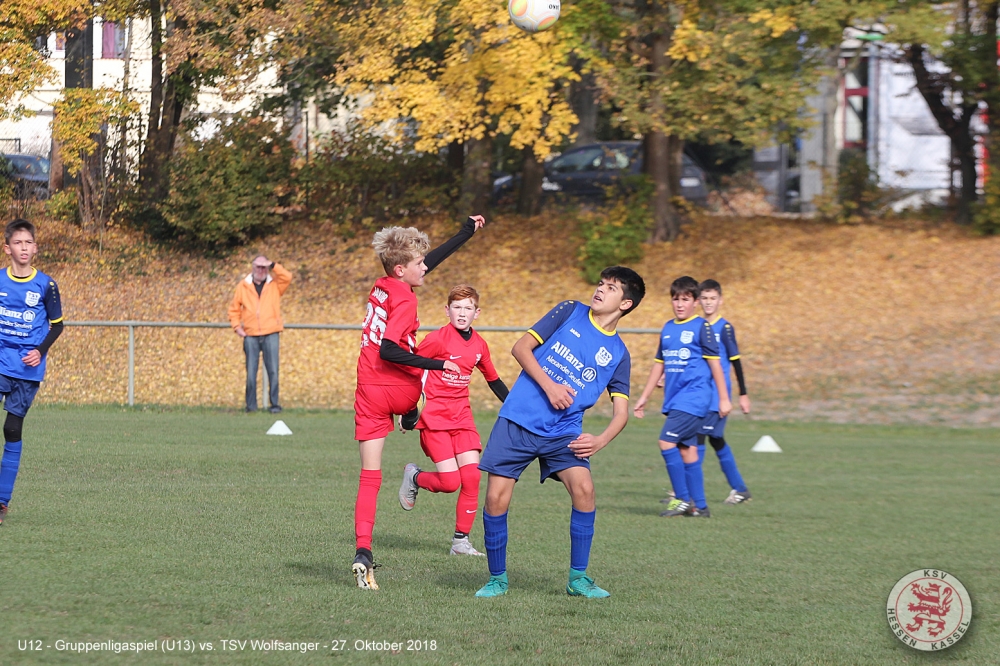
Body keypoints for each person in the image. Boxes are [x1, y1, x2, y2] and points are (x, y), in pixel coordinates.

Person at [475, 266, 645, 599]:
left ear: (625, 304)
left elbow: (621, 413)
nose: (600, 289)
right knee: (495, 499)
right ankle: (497, 579)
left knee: (585, 490)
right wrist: (550, 386)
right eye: (600, 284)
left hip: (563, 432)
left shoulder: (618, 355)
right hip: (519, 419)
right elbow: (521, 348)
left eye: (611, 288)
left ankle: (578, 579)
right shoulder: (569, 311)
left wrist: (600, 440)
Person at [353, 215, 486, 590]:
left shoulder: (383, 285)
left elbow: (424, 262)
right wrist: (438, 364)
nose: (425, 267)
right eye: (418, 263)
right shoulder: (406, 300)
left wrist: (464, 233)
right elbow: (390, 349)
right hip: (399, 386)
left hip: (367, 387)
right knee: (416, 387)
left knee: (370, 477)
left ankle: (363, 550)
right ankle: (411, 413)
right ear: (402, 269)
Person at [397, 284, 509, 557]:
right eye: (456, 307)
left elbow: (493, 380)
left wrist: (517, 408)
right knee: (449, 483)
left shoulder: (480, 345)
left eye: (467, 308)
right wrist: (406, 409)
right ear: (447, 310)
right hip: (434, 419)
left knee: (471, 477)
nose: (461, 313)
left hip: (462, 418)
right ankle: (415, 476)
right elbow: (411, 369)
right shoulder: (437, 339)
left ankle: (460, 543)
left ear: (476, 313)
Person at [633, 276, 730, 518]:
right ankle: (701, 506)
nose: (679, 304)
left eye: (685, 300)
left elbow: (716, 365)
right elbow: (659, 364)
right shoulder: (667, 328)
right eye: (676, 299)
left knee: (666, 442)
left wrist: (724, 398)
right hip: (675, 399)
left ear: (695, 302)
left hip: (694, 397)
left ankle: (683, 500)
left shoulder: (701, 327)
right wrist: (645, 395)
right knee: (688, 450)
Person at [0, 219, 64, 525]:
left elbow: (58, 325)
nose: (23, 248)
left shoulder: (46, 285)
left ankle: (2, 501)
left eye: (28, 243)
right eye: (18, 243)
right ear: (7, 248)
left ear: (35, 248)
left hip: (27, 368)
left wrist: (39, 350)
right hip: (1, 360)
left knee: (12, 430)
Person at [228, 255, 292, 413]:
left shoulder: (275, 285)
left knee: (273, 371)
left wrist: (273, 264)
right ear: (252, 267)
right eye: (258, 267)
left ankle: (274, 405)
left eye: (264, 267)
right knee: (251, 372)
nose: (261, 270)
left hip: (271, 332)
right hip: (250, 334)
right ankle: (251, 406)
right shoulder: (243, 286)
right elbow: (234, 309)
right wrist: (237, 327)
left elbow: (287, 276)